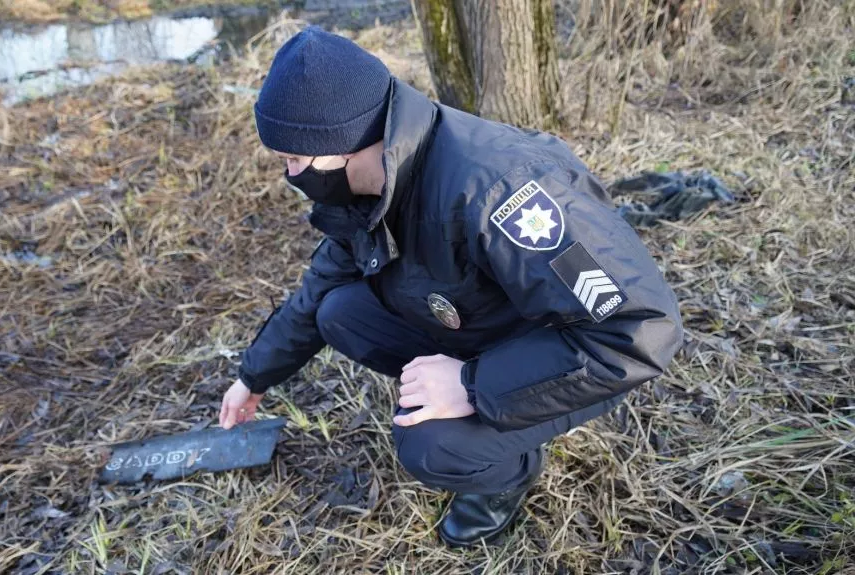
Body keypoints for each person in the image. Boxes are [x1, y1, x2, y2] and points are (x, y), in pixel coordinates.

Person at [218, 25, 684, 548]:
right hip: (480, 322)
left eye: (293, 159)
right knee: (337, 311)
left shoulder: (501, 191)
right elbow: (319, 286)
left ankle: (507, 470)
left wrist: (470, 384)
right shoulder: (371, 183)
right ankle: (472, 399)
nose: (288, 172)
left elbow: (638, 332)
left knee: (430, 445)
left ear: (343, 145)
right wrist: (254, 377)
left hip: (564, 356)